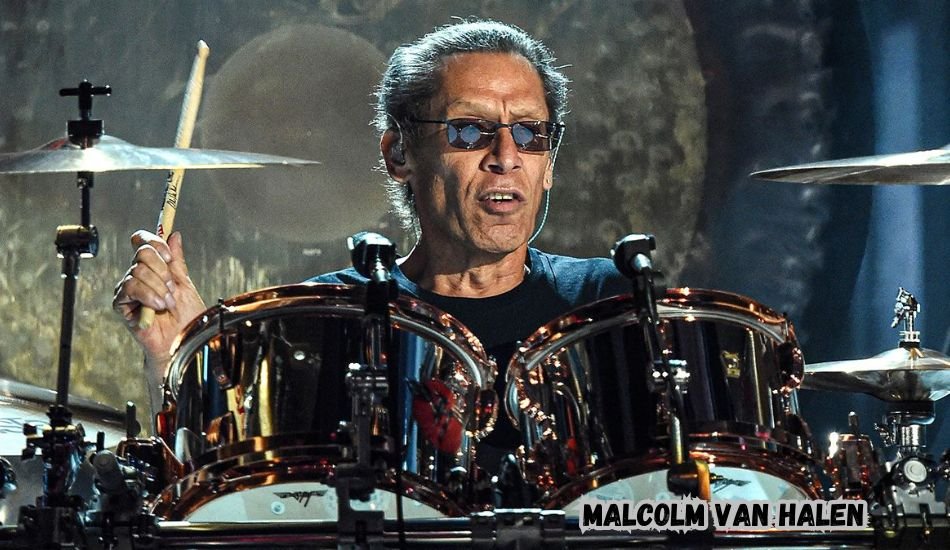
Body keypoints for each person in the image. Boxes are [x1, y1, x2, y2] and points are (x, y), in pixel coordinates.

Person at [112, 19, 630, 471]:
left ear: (548, 165)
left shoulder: (606, 301)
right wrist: (177, 359)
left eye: (530, 133)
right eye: (470, 130)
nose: (506, 156)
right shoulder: (323, 316)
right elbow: (227, 494)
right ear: (399, 153)